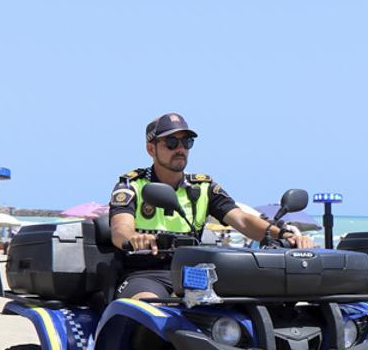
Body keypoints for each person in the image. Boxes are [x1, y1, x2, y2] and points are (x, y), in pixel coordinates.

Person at [110, 113, 313, 299]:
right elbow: (120, 229)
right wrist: (135, 238)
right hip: (144, 275)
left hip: (193, 273)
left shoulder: (203, 187)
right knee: (151, 308)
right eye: (171, 142)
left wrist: (284, 235)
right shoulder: (132, 185)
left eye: (186, 142)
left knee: (246, 304)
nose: (180, 149)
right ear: (151, 149)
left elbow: (241, 219)